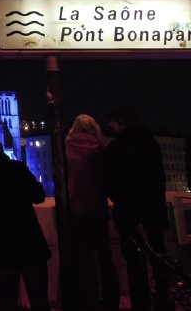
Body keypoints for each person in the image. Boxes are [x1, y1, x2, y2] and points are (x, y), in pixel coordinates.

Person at [104, 107, 169, 311]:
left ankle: (140, 303)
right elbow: (159, 177)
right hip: (154, 210)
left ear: (120, 123)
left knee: (134, 263)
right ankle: (164, 299)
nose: (110, 125)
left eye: (112, 122)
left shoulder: (116, 148)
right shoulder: (151, 143)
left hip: (129, 213)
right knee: (159, 257)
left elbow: (110, 182)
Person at [0, 138, 51, 311]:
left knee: (7, 298)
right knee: (38, 297)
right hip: (29, 239)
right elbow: (39, 196)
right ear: (2, 151)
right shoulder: (17, 168)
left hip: (2, 242)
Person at [65, 115, 119, 311]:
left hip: (77, 207)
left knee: (83, 258)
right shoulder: (102, 148)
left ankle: (89, 300)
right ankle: (112, 299)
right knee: (105, 256)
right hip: (98, 207)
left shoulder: (68, 146)